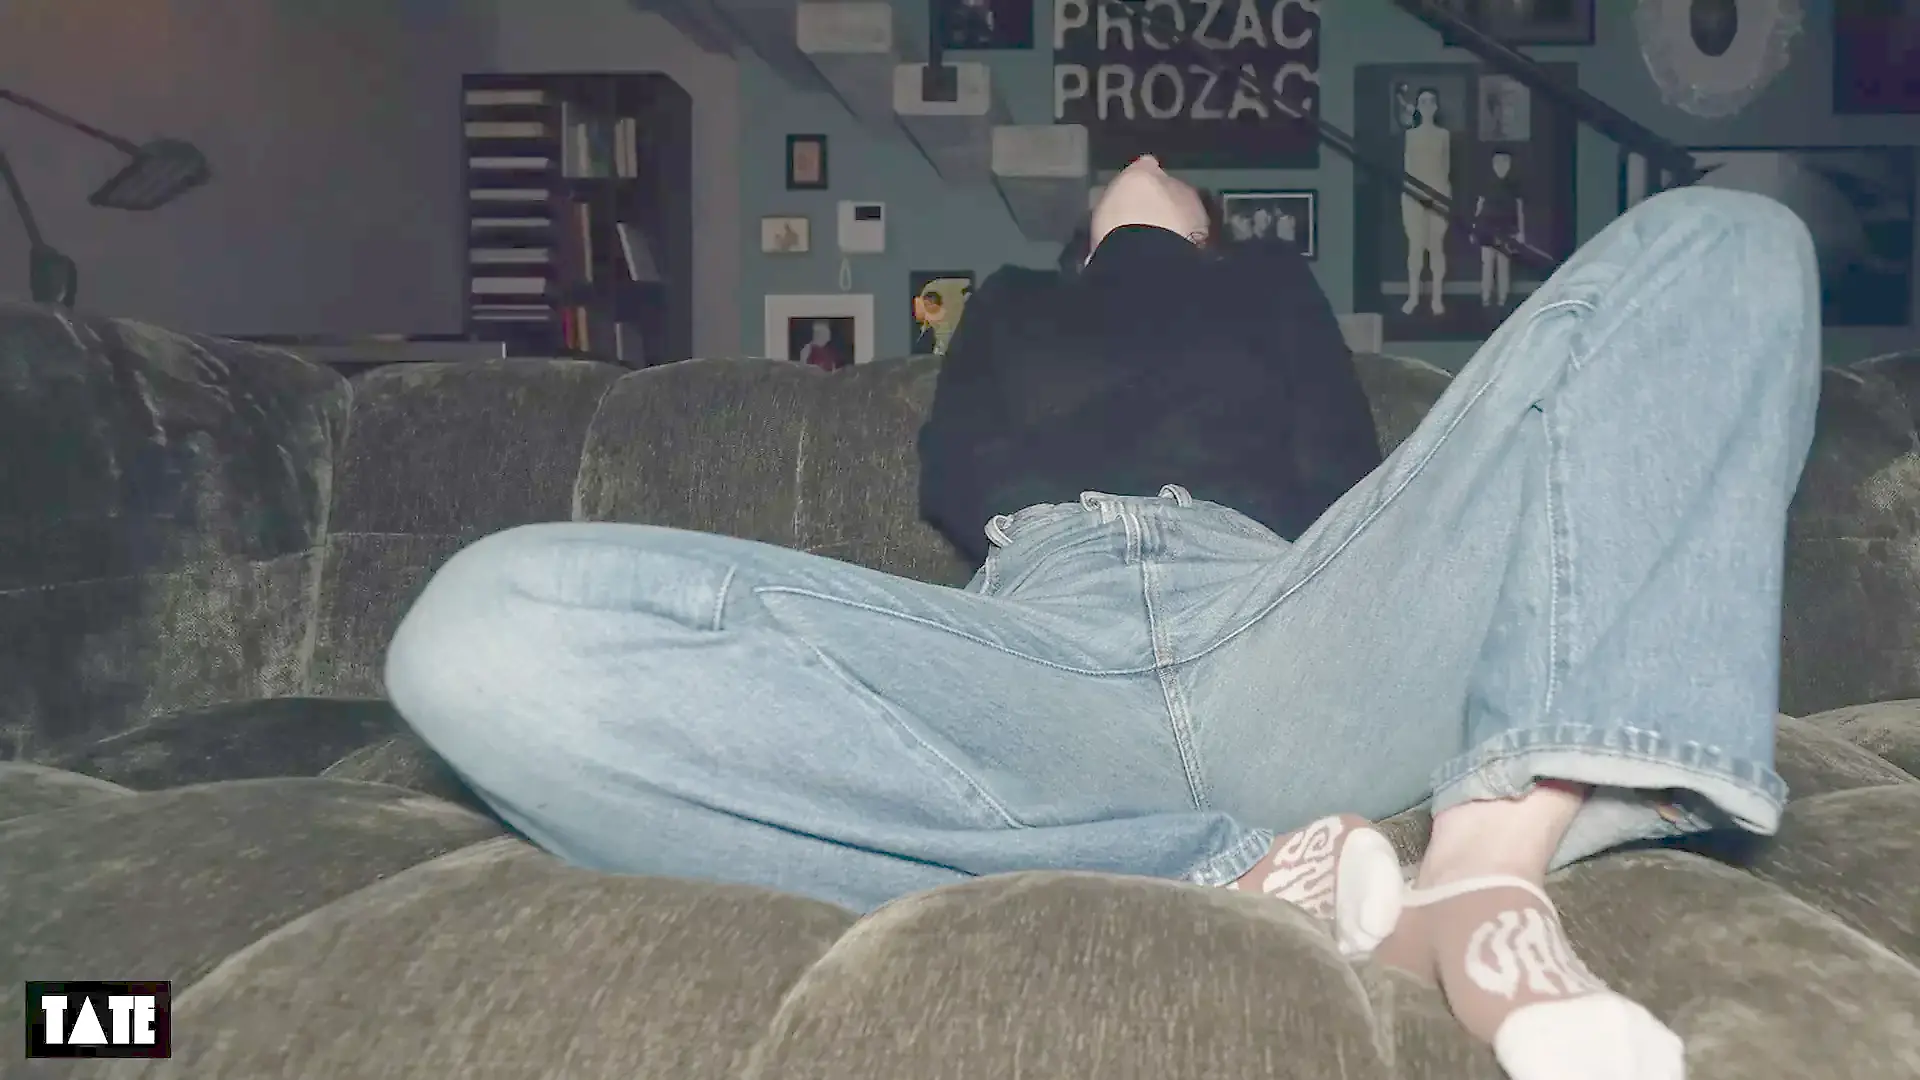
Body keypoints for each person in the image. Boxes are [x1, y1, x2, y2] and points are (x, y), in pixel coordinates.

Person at [386, 152, 1820, 1080]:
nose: (1144, 163)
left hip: (1286, 627)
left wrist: (1186, 328)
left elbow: (1339, 467)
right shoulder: (1012, 303)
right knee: (479, 633)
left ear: (1214, 225)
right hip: (1037, 665)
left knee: (1730, 236)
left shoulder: (1268, 291)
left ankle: (1480, 874)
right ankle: (1222, 872)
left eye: (1175, 177)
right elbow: (963, 473)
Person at [1401, 87, 1453, 316]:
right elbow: (1408, 167)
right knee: (1415, 246)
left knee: (1436, 245)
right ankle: (1413, 296)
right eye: (1423, 102)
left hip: (1438, 193)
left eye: (1431, 101)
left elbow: (1445, 167)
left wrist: (1442, 194)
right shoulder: (1410, 136)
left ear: (1436, 106)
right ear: (1418, 107)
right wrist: (1411, 195)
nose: (1428, 105)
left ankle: (1436, 298)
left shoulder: (1443, 135)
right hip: (1414, 195)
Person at [1474, 148, 1525, 308]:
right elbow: (1479, 205)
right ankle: (1486, 297)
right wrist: (1475, 227)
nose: (1502, 165)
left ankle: (1502, 298)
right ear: (1493, 163)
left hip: (1506, 230)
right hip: (1486, 229)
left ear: (1510, 163)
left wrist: (1521, 232)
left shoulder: (1514, 184)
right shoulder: (1485, 182)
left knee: (1503, 266)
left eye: (1505, 161)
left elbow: (1519, 209)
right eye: (1498, 161)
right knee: (1487, 266)